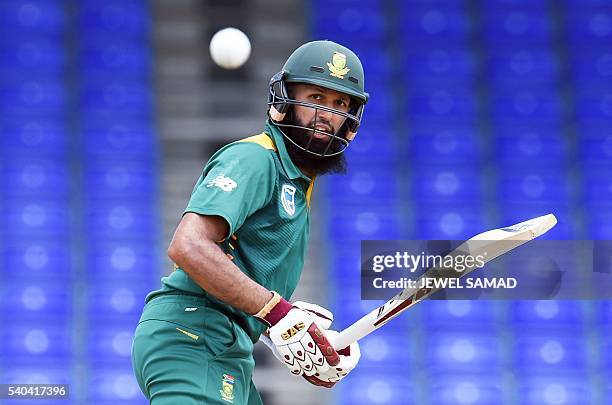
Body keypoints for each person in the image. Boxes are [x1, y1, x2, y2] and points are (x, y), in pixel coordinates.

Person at [131, 40, 369, 404]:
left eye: (340, 104)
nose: (328, 114)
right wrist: (278, 313)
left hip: (227, 346)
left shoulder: (297, 182)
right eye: (316, 98)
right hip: (194, 335)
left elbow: (247, 283)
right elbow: (188, 246)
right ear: (284, 100)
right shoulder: (255, 159)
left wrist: (292, 333)